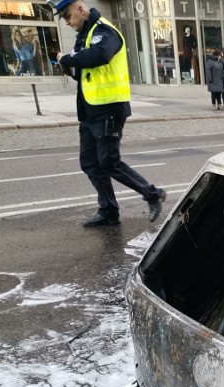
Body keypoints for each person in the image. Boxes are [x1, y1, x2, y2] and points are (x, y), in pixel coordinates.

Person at [53, 0, 166, 227]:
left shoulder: (105, 31)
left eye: (67, 16)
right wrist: (68, 66)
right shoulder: (83, 37)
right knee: (90, 162)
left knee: (108, 161)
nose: (67, 22)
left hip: (109, 109)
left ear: (80, 9)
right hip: (89, 110)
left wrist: (67, 59)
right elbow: (83, 72)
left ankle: (153, 194)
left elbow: (100, 56)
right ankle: (108, 211)